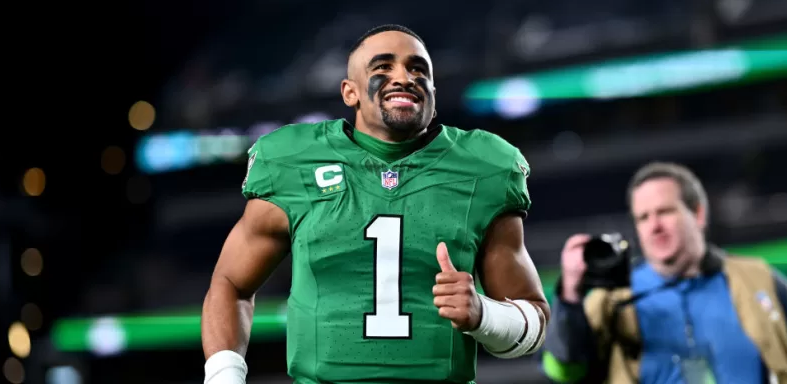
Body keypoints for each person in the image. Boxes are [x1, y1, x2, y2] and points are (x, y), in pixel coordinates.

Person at [200, 24, 550, 384]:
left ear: (433, 91)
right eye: (382, 68)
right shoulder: (293, 160)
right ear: (350, 92)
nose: (404, 77)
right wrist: (225, 377)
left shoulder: (483, 165)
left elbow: (535, 322)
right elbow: (231, 284)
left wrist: (484, 315)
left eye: (418, 69)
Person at [540, 162, 787, 384]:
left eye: (664, 212)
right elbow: (563, 372)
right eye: (643, 217)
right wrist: (570, 297)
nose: (654, 226)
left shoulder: (758, 278)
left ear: (698, 214)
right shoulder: (609, 300)